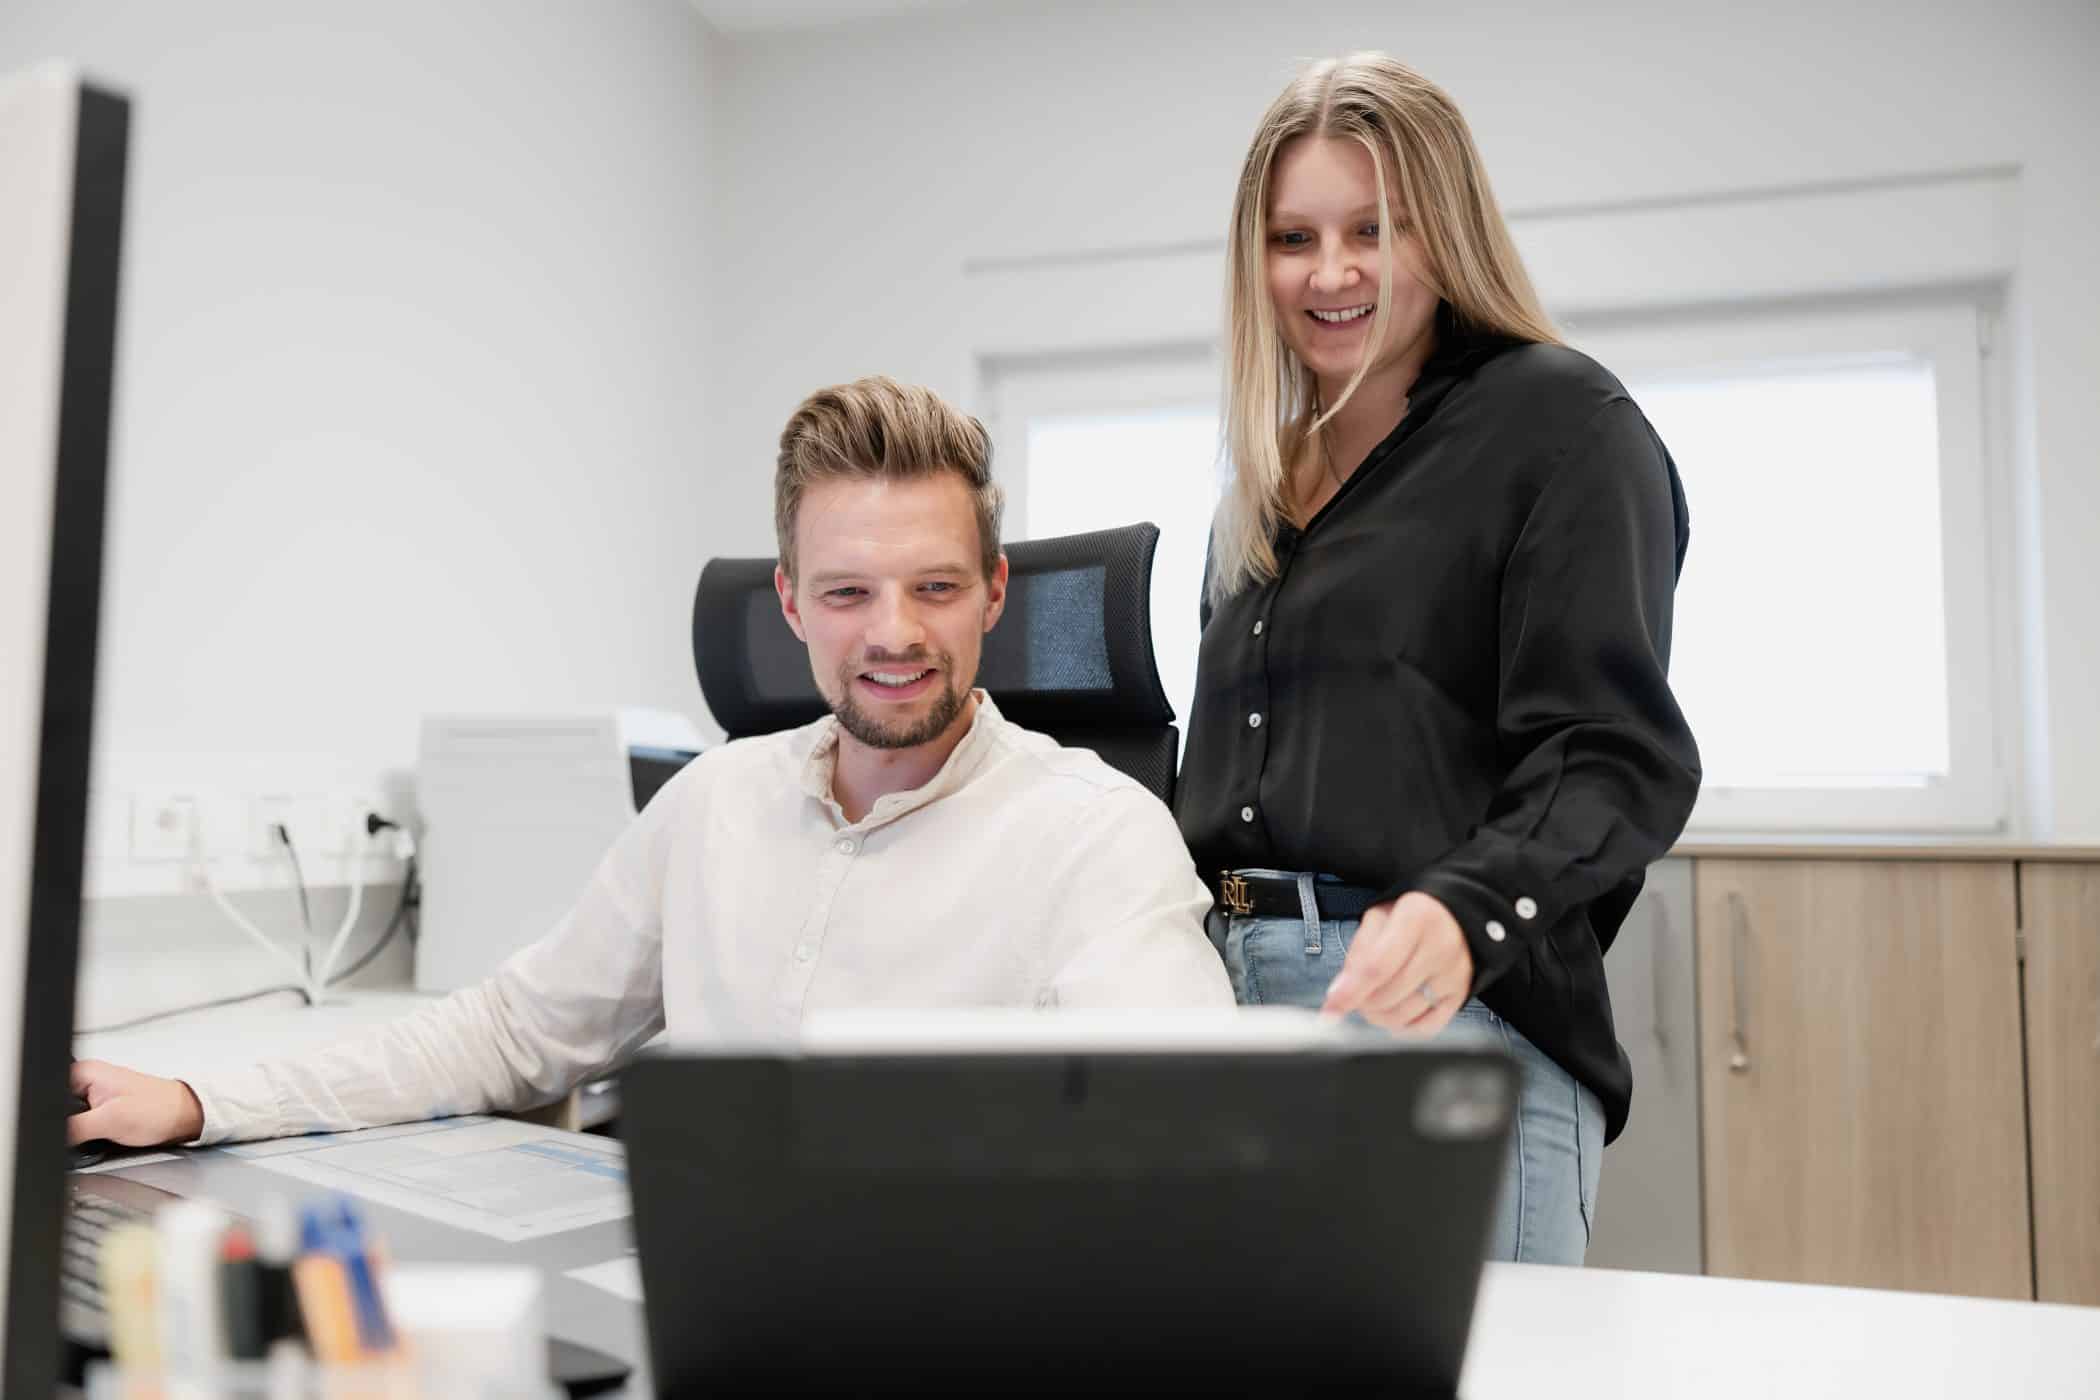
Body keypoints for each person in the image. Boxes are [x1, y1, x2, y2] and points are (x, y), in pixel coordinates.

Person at [74, 376, 1234, 1148]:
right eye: (846, 591)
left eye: (934, 585)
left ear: (994, 590)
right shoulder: (716, 804)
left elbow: (1195, 1140)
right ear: (789, 602)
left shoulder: (1097, 834)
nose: (893, 632)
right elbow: (508, 1032)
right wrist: (199, 1099)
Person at [1175, 53, 1701, 1265]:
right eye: (1293, 236)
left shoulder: (1563, 423)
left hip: (1445, 1018)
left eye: (1374, 228)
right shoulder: (1255, 488)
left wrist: (1464, 912)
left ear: (1443, 229)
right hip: (1228, 1017)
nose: (1331, 271)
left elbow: (1610, 752)